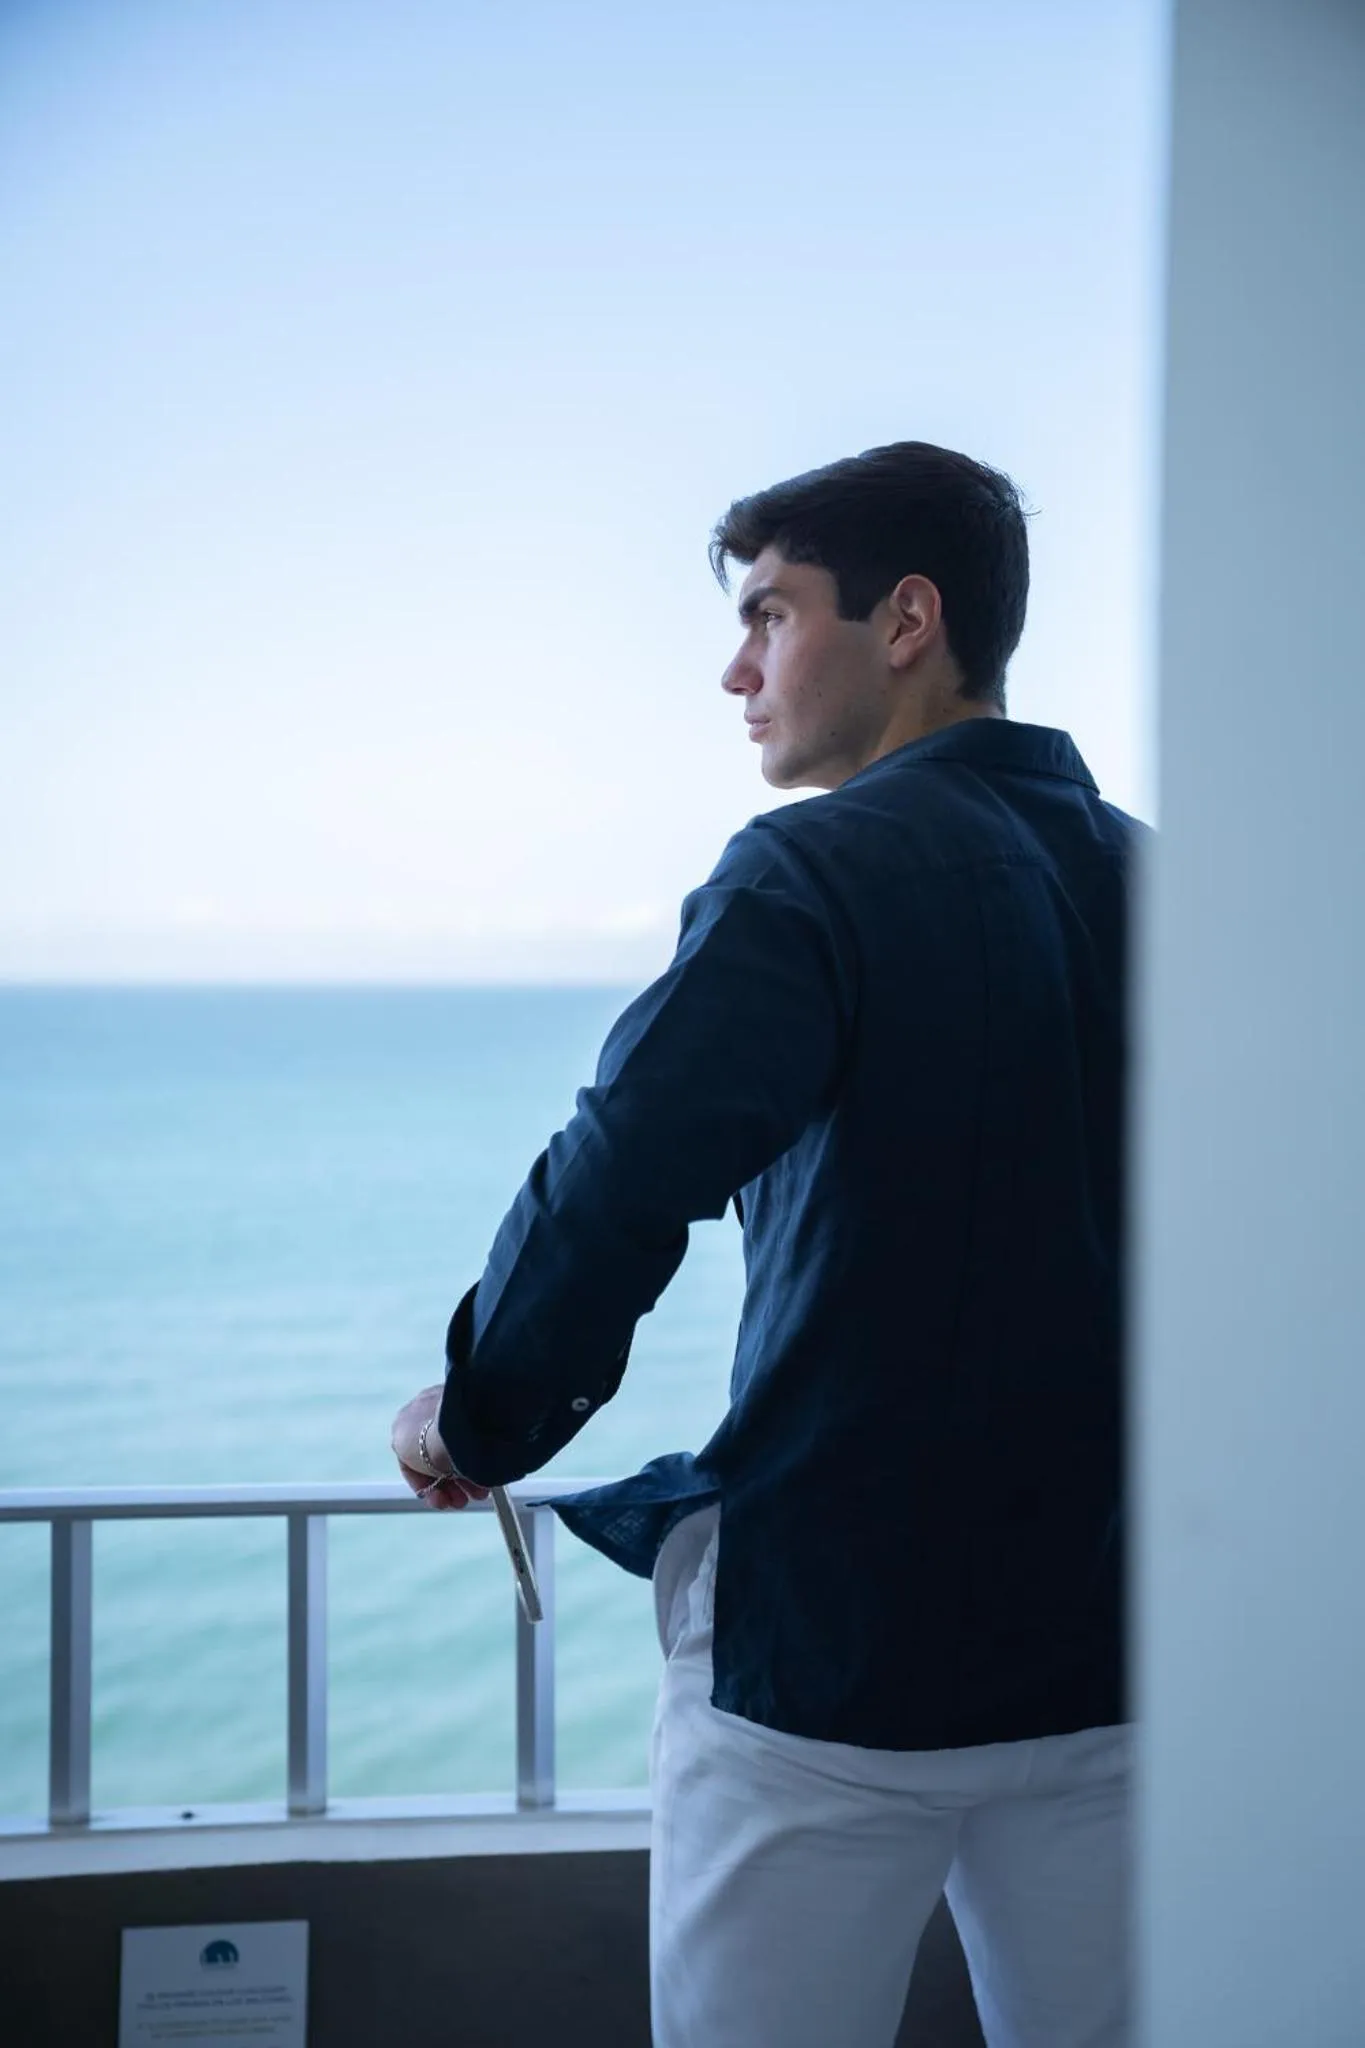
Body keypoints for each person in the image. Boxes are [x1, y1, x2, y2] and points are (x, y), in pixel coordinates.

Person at [390, 440, 1143, 2048]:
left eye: (771, 615)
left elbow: (622, 1174)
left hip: (834, 1672)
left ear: (907, 620)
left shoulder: (809, 872)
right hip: (1119, 1650)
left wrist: (473, 1417)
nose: (738, 672)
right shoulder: (1167, 882)